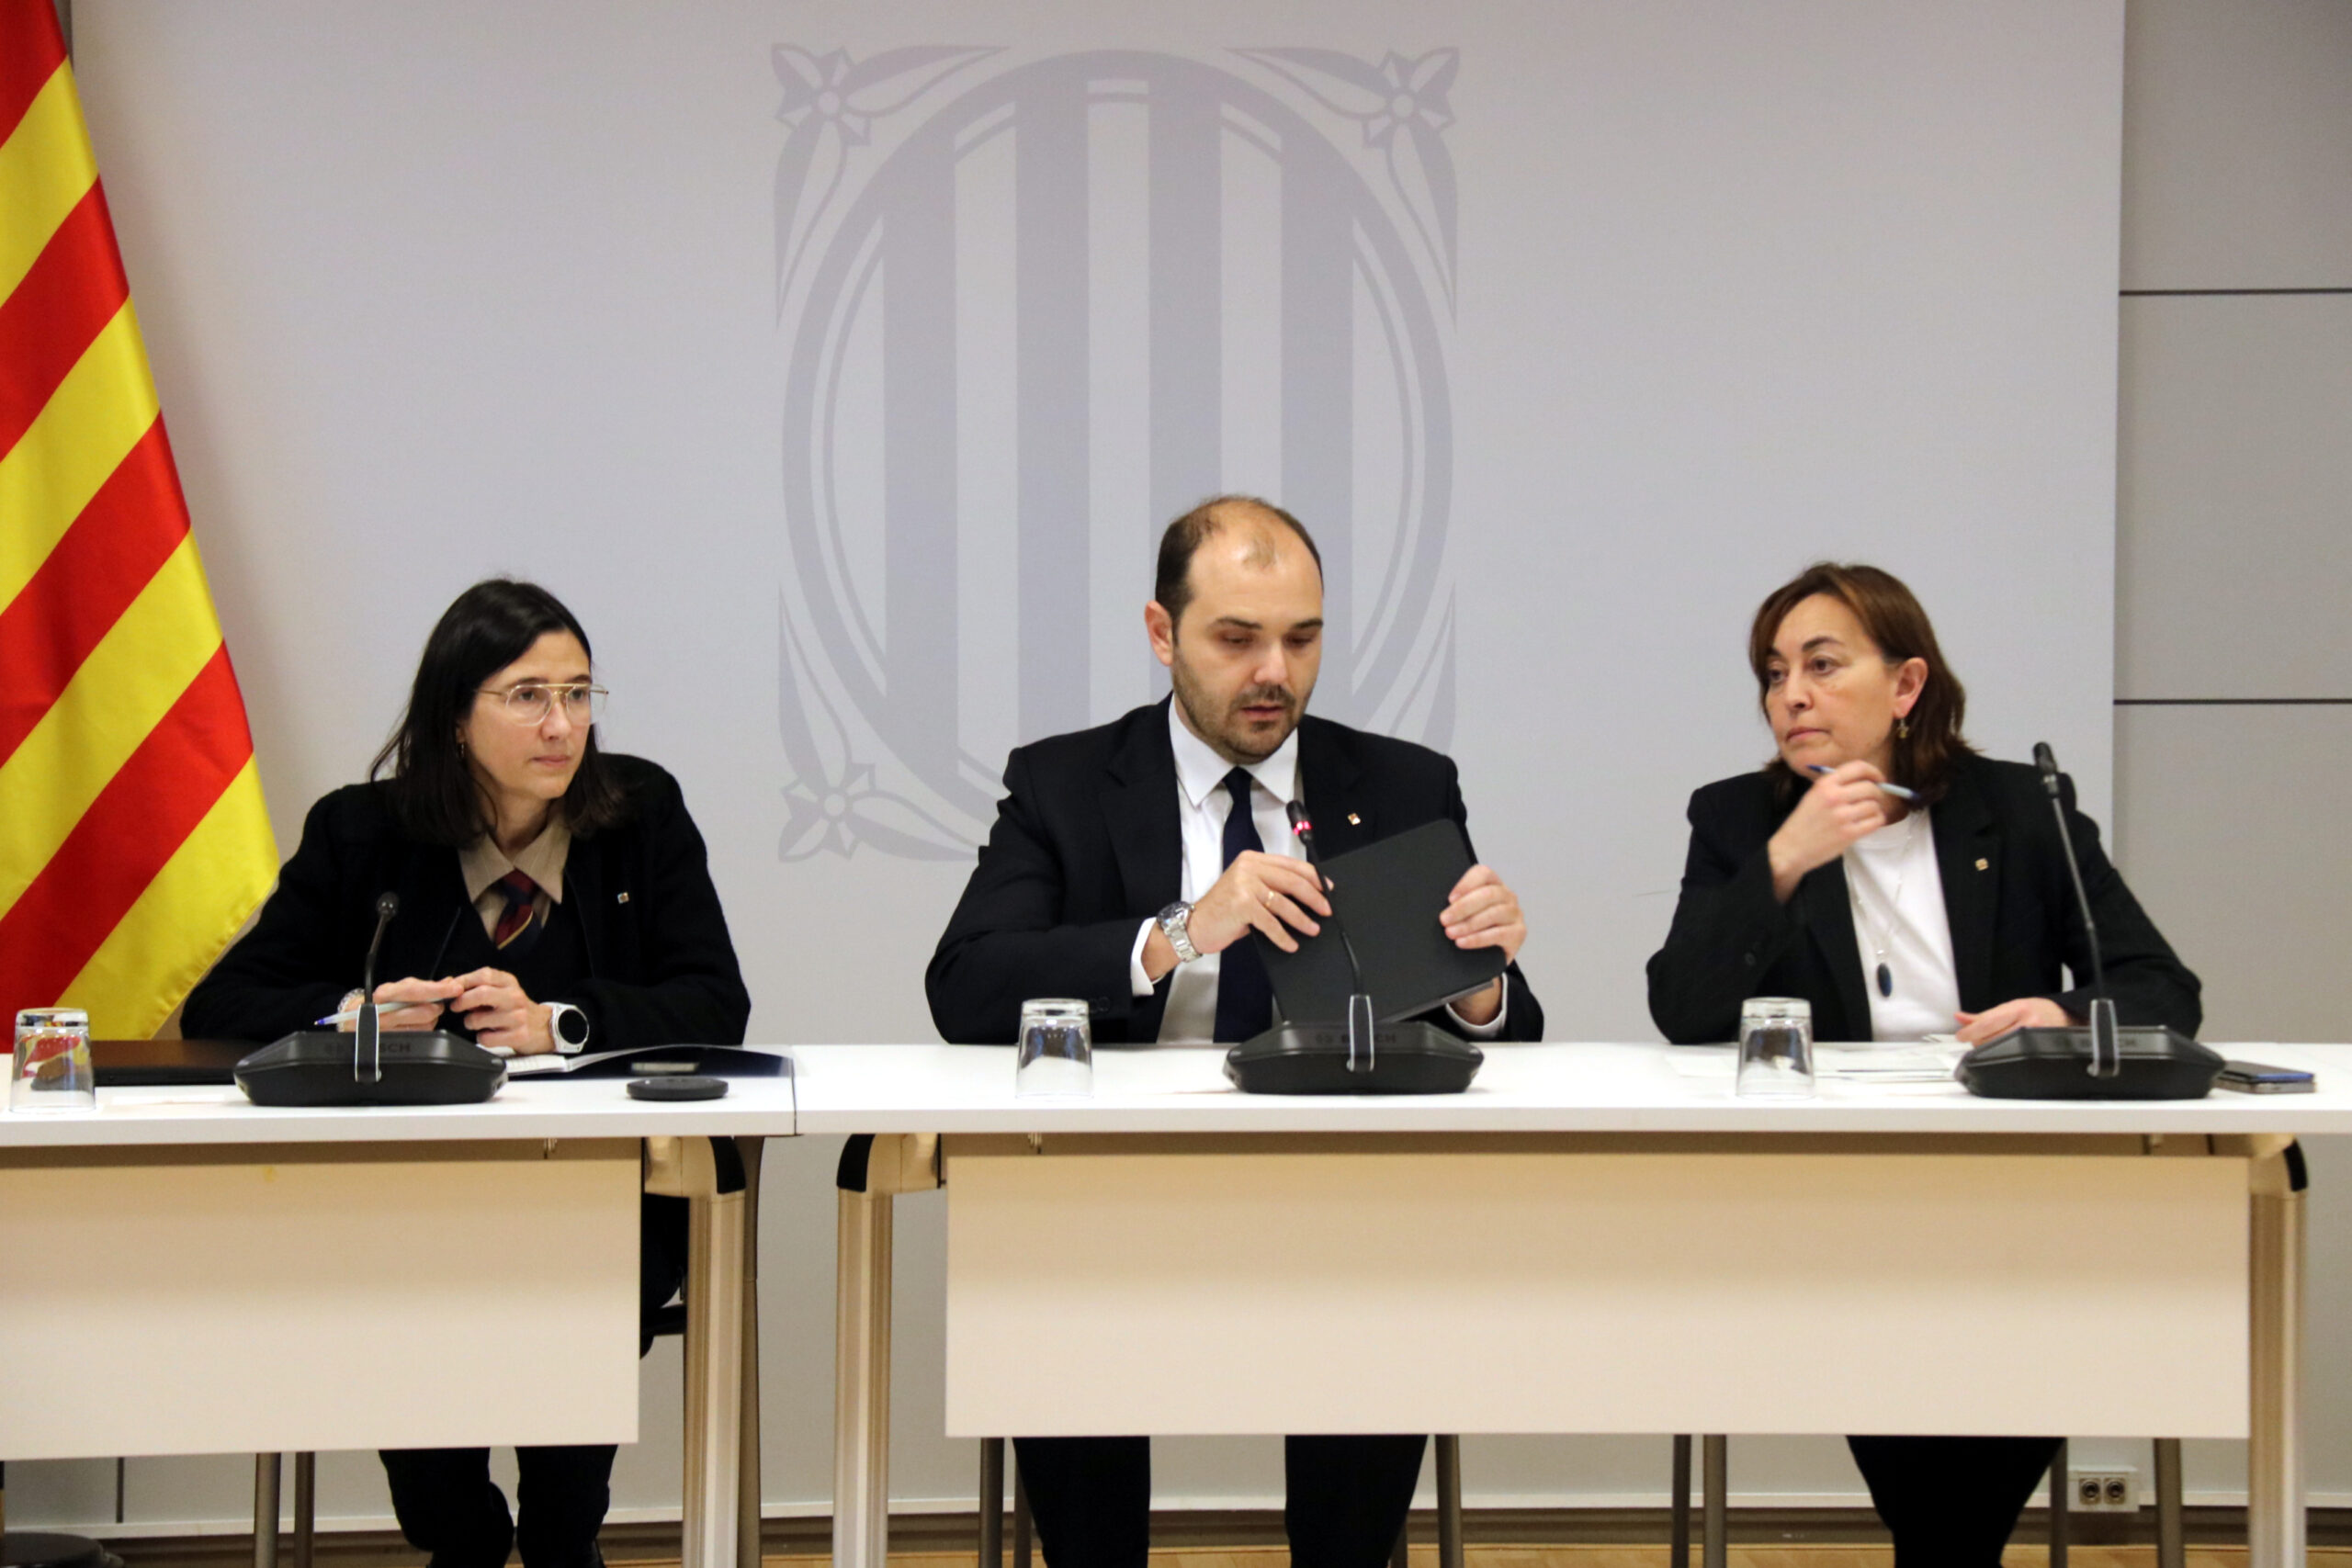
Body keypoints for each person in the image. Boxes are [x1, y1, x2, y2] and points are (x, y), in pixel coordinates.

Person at [927, 495, 1543, 1568]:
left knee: (1384, 1278)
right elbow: (966, 985)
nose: (1274, 672)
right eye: (1236, 638)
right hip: (1110, 1190)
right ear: (1161, 633)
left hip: (1344, 1190)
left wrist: (1480, 981)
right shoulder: (1064, 782)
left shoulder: (1401, 784)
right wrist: (1177, 933)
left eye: (1301, 639)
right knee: (1056, 1282)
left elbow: (1504, 1030)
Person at [185, 578, 751, 1568]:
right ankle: (465, 1538)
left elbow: (714, 1002)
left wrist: (559, 1023)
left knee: (575, 1292)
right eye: (528, 696)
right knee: (415, 1333)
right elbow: (220, 1008)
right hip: (401, 1204)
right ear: (455, 716)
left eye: (578, 694)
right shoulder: (362, 833)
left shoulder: (640, 813)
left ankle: (564, 1539)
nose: (562, 724)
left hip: (603, 1200)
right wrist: (351, 1012)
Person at [1645, 560, 2199, 1564]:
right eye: (1773, 673)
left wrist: (2061, 1013)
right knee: (1908, 1375)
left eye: (1821, 665)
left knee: (2018, 1336)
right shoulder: (1738, 819)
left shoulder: (2018, 806)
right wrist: (1787, 858)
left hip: (2013, 1181)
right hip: (1840, 1191)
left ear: (1906, 686)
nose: (1791, 695)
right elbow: (1682, 1010)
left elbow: (2160, 986)